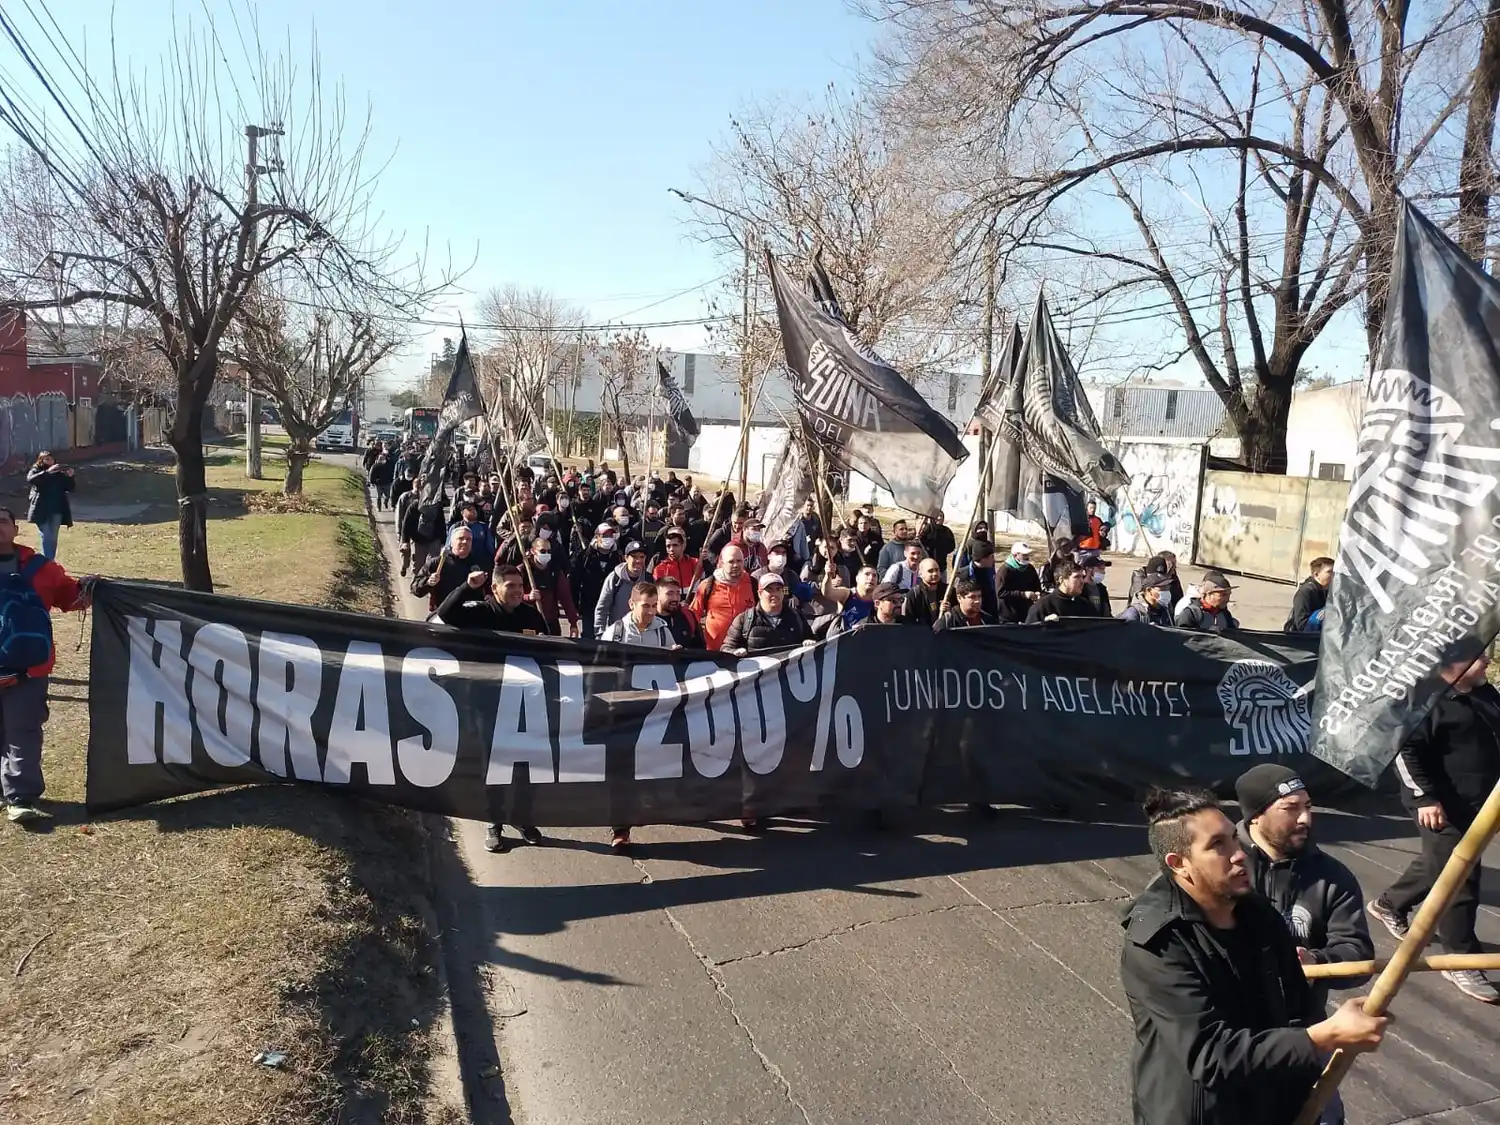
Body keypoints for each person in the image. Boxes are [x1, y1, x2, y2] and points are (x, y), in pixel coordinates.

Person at [1121, 787, 1389, 1125]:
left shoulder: (1258, 914)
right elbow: (1211, 1055)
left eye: (1234, 838)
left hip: (1269, 1103)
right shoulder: (1158, 943)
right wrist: (1323, 1036)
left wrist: (1310, 1078)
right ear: (1179, 864)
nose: (1238, 855)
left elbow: (1295, 1008)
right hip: (1201, 1114)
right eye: (1217, 845)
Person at [1234, 763, 1375, 1110]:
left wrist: (1317, 962)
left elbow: (1357, 953)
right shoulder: (1222, 865)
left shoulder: (1332, 877)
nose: (1305, 819)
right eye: (1290, 808)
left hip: (1304, 1033)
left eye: (1308, 806)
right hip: (1233, 1033)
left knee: (1321, 1115)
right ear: (1256, 816)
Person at [1368, 639, 1500, 1003]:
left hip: (1480, 801)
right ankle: (1460, 959)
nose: (1486, 661)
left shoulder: (1484, 692)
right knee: (1461, 880)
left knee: (1439, 863)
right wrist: (1424, 798)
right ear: (1453, 664)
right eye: (1479, 657)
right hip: (1439, 805)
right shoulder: (1423, 702)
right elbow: (1402, 751)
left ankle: (1390, 903)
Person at [433, 564, 547, 853]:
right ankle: (494, 822)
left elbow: (551, 648)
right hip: (487, 704)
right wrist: (467, 586)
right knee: (494, 765)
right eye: (511, 586)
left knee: (525, 765)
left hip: (525, 703)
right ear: (495, 588)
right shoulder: (479, 612)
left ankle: (522, 817)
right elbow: (446, 613)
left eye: (520, 586)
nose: (518, 591)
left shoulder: (531, 615)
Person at [0, 507, 94, 823]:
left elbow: (70, 598)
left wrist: (89, 589)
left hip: (28, 669)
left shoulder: (41, 568)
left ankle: (20, 797)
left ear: (15, 528)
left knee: (23, 732)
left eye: (2, 521)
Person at [723, 571, 812, 653]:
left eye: (778, 589)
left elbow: (811, 640)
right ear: (759, 594)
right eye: (769, 590)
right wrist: (735, 652)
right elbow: (726, 649)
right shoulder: (744, 620)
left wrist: (809, 642)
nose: (775, 594)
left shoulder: (796, 617)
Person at [691, 544, 758, 651]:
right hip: (715, 651)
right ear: (722, 563)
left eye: (739, 561)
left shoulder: (753, 584)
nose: (735, 565)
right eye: (731, 561)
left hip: (744, 650)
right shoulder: (708, 585)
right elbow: (693, 615)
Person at [413, 525, 483, 615]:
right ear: (452, 542)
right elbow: (415, 588)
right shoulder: (437, 563)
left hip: (468, 615)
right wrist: (428, 582)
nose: (465, 542)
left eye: (468, 539)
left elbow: (486, 590)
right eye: (461, 538)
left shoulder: (478, 565)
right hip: (440, 612)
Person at [570, 522, 622, 640]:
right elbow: (574, 581)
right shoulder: (584, 556)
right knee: (588, 637)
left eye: (610, 535)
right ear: (597, 537)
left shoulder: (618, 557)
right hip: (589, 605)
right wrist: (575, 605)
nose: (608, 539)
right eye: (605, 536)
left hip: (610, 607)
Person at [521, 535, 579, 637]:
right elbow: (512, 596)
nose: (546, 554)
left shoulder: (555, 571)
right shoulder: (523, 570)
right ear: (533, 551)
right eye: (543, 551)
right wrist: (528, 597)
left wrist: (573, 623)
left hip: (550, 622)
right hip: (528, 622)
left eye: (549, 551)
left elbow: (566, 598)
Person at [593, 541, 651, 636]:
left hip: (643, 635)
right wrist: (600, 634)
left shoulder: (649, 580)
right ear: (626, 558)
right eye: (634, 557)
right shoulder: (614, 578)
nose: (638, 561)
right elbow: (602, 608)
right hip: (618, 634)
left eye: (642, 557)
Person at [25, 451, 74, 561]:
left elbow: (70, 488)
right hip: (41, 509)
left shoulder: (59, 472)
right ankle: (48, 561)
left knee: (53, 537)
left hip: (57, 509)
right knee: (46, 535)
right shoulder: (36, 470)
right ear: (41, 460)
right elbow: (31, 479)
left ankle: (49, 560)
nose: (49, 461)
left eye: (51, 459)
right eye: (46, 459)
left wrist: (70, 477)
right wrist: (47, 472)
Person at [1027, 560, 1100, 622]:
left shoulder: (1085, 605)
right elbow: (1029, 632)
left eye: (1082, 577)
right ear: (1061, 579)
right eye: (1077, 577)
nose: (1082, 581)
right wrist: (1044, 626)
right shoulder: (1043, 607)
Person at [1175, 570, 1240, 633]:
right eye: (1223, 595)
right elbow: (1183, 637)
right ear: (1208, 594)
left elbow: (1232, 635)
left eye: (1229, 594)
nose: (1227, 599)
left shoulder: (1225, 614)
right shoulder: (1191, 614)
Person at [995, 541, 1042, 623]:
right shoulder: (1004, 571)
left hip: (1026, 614)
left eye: (1027, 554)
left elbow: (1036, 585)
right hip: (1009, 616)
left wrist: (1037, 593)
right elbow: (1000, 593)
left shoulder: (1030, 568)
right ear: (1015, 555)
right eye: (1024, 555)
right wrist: (1023, 594)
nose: (1027, 557)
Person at [1285, 557, 1334, 633]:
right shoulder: (1306, 592)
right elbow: (1301, 625)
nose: (1333, 575)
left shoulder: (1328, 590)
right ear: (1316, 574)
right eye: (1329, 572)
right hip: (1303, 637)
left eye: (1334, 572)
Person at [955, 539, 1000, 620]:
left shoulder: (990, 570)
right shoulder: (963, 574)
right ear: (983, 558)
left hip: (991, 613)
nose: (994, 560)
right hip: (973, 614)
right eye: (991, 557)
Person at [655, 576, 703, 648]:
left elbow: (700, 648)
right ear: (657, 596)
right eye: (670, 594)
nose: (675, 598)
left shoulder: (688, 616)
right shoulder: (648, 618)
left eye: (678, 593)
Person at [902, 558, 947, 627]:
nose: (935, 573)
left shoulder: (948, 591)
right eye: (930, 571)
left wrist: (949, 611)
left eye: (937, 570)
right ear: (920, 574)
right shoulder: (914, 594)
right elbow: (909, 620)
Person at [652, 527, 699, 593]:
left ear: (682, 545)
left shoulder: (696, 563)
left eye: (675, 545)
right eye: (668, 546)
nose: (671, 549)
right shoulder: (659, 569)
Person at [789, 495, 824, 572]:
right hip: (798, 553)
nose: (809, 508)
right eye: (807, 505)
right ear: (803, 506)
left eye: (811, 506)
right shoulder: (797, 521)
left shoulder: (815, 520)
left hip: (811, 553)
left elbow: (820, 534)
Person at [918, 513, 956, 578]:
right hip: (927, 566)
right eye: (937, 516)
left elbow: (952, 546)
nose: (939, 518)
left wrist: (943, 551)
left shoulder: (947, 531)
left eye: (941, 516)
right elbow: (920, 543)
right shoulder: (927, 529)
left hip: (941, 567)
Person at [1077, 549, 1113, 615]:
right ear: (1089, 569)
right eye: (1100, 569)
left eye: (1104, 569)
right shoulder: (1079, 588)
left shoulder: (1102, 589)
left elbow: (1107, 612)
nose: (1103, 572)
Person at [368, 443, 396, 511]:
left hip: (387, 483)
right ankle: (379, 507)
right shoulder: (375, 466)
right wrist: (372, 481)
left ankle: (385, 501)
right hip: (378, 483)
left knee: (388, 496)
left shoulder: (389, 465)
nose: (382, 460)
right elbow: (371, 474)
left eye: (383, 458)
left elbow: (392, 472)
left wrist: (392, 479)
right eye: (381, 459)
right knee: (379, 496)